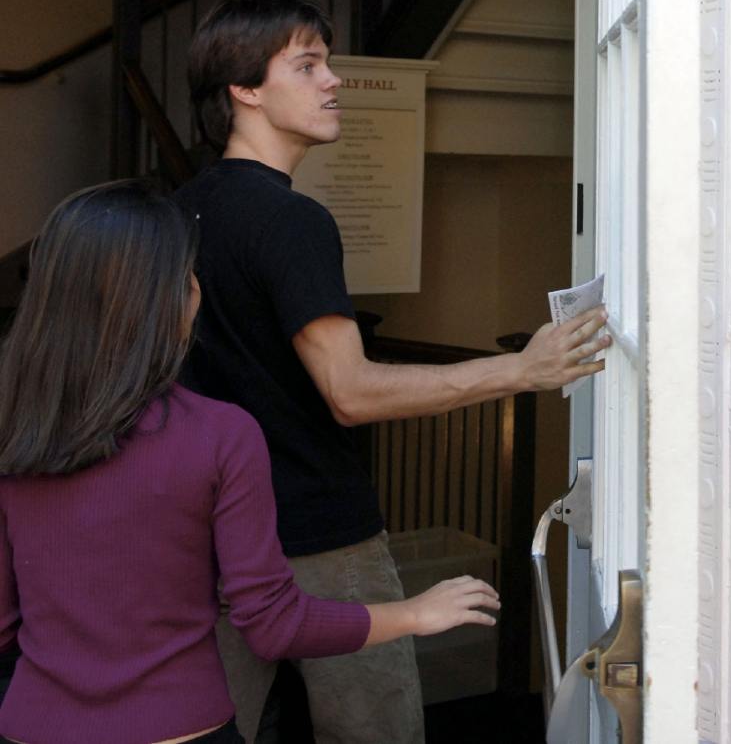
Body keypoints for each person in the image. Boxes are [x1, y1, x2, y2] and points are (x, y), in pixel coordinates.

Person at [176, 0, 608, 743]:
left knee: (211, 731)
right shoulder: (292, 220)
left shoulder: (180, 210)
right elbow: (351, 390)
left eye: (327, 62)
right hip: (320, 534)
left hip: (209, 531)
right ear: (244, 89)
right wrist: (523, 369)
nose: (333, 79)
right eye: (307, 64)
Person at [0, 180, 501, 744]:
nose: (196, 288)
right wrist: (413, 613)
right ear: (163, 298)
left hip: (31, 726)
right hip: (178, 728)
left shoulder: (14, 432)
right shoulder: (219, 435)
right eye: (187, 274)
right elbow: (272, 623)